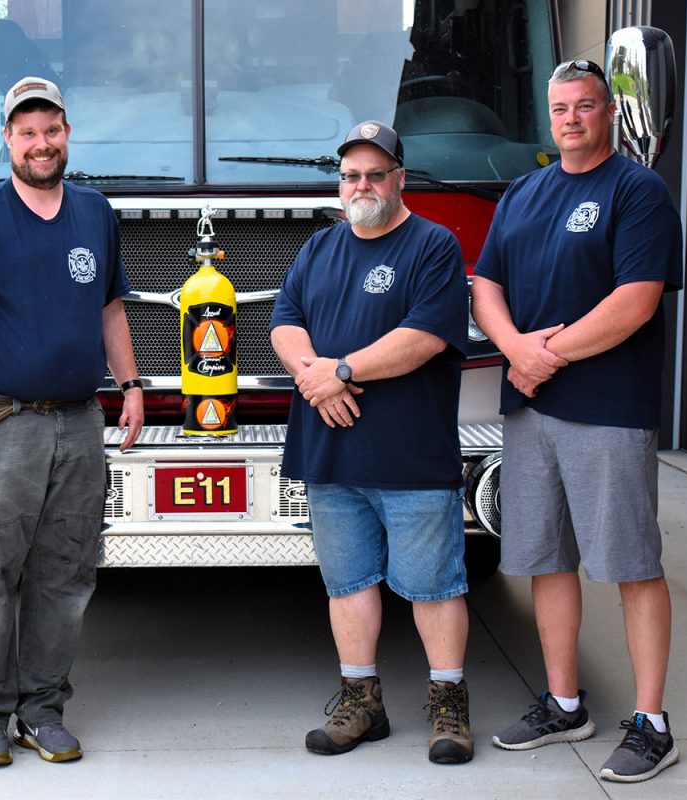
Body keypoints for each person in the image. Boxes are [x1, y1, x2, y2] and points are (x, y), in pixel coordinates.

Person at [471, 59, 683, 783]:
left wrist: (543, 355)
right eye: (560, 107)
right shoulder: (524, 192)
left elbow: (636, 300)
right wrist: (512, 348)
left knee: (629, 563)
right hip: (531, 412)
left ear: (607, 114)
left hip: (608, 411)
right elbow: (487, 283)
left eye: (585, 106)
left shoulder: (637, 190)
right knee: (546, 560)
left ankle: (652, 723)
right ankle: (565, 703)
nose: (570, 119)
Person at [0, 76, 144, 768]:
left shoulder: (94, 214)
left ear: (67, 133)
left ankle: (42, 708)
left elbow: (110, 310)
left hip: (81, 423)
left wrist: (131, 385)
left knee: (67, 574)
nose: (41, 143)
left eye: (51, 129)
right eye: (27, 132)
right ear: (8, 139)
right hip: (4, 424)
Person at [271, 120, 473, 764]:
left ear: (399, 178)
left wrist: (343, 370)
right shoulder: (319, 248)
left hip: (410, 456)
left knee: (435, 586)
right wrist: (315, 377)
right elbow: (284, 322)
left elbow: (426, 336)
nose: (362, 185)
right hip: (332, 458)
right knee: (348, 584)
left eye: (375, 173)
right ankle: (362, 702)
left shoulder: (433, 246)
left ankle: (449, 707)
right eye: (351, 175)